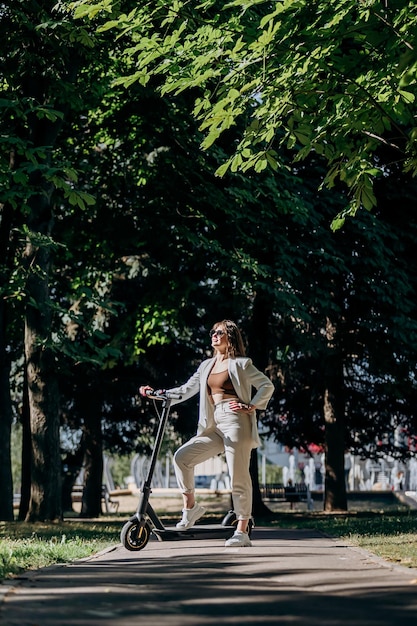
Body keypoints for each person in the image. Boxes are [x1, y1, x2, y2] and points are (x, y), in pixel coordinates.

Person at [139, 319, 274, 547]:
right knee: (182, 457)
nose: (214, 335)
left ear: (229, 337)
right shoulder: (206, 366)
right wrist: (158, 394)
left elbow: (266, 385)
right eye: (212, 332)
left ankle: (242, 531)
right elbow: (185, 390)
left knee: (238, 476)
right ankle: (190, 508)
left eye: (219, 332)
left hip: (235, 421)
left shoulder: (241, 364)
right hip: (213, 424)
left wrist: (251, 405)